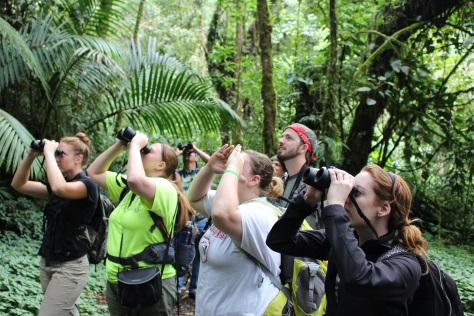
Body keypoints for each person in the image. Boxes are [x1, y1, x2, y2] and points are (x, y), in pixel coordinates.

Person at [266, 164, 429, 315]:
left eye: (355, 192)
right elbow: (279, 240)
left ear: (383, 208)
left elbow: (359, 278)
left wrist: (335, 206)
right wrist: (307, 201)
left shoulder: (406, 264)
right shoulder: (343, 240)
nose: (346, 198)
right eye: (347, 190)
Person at [86, 132, 193, 316]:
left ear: (161, 165)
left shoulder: (165, 188)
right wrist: (119, 146)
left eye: (149, 150)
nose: (144, 151)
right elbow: (94, 172)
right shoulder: (128, 189)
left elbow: (136, 180)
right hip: (117, 280)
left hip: (150, 282)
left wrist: (135, 147)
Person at [187, 144, 283, 315]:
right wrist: (210, 168)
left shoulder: (261, 213)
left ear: (254, 179)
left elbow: (221, 214)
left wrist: (231, 168)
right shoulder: (231, 202)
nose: (232, 163)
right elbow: (194, 198)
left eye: (239, 163)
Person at [11, 133, 99, 316]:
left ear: (78, 159)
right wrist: (31, 155)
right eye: (57, 153)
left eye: (61, 154)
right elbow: (19, 184)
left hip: (71, 267)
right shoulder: (58, 185)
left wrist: (50, 153)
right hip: (49, 261)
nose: (57, 158)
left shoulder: (87, 185)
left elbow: (60, 189)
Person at [175, 143, 210, 299]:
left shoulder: (201, 173)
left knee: (198, 254)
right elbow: (165, 167)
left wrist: (196, 149)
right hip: (183, 218)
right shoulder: (177, 174)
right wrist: (177, 153)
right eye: (187, 153)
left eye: (192, 154)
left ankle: (194, 289)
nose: (190, 155)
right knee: (180, 250)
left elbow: (211, 162)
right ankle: (177, 287)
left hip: (201, 218)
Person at [276, 123, 321, 228]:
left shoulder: (316, 182)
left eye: (289, 138)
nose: (281, 140)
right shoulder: (279, 182)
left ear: (303, 148)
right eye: (282, 136)